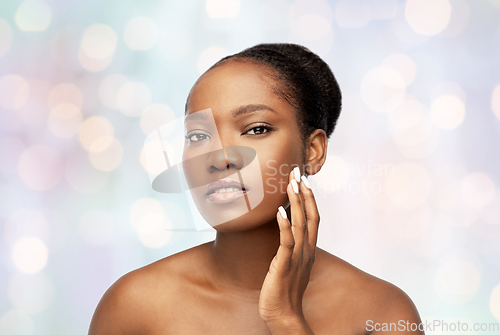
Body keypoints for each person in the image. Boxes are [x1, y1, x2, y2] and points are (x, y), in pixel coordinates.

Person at [89, 43, 424, 334]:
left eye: (256, 129)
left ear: (313, 151)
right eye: (197, 136)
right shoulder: (133, 305)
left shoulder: (381, 313)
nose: (219, 158)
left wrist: (287, 320)